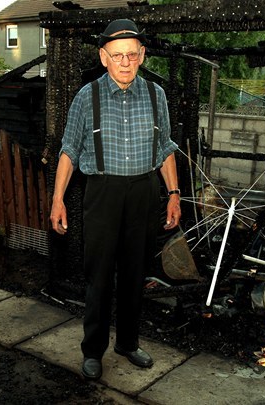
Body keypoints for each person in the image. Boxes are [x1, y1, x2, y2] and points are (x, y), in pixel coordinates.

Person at [49, 18, 181, 380]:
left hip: (144, 191)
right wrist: (57, 199)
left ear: (142, 56)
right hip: (102, 193)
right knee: (100, 275)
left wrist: (173, 193)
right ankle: (93, 350)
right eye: (117, 55)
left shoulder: (157, 95)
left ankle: (127, 342)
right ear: (103, 57)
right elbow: (69, 151)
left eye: (132, 55)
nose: (125, 62)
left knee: (136, 273)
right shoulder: (86, 96)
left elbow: (165, 147)